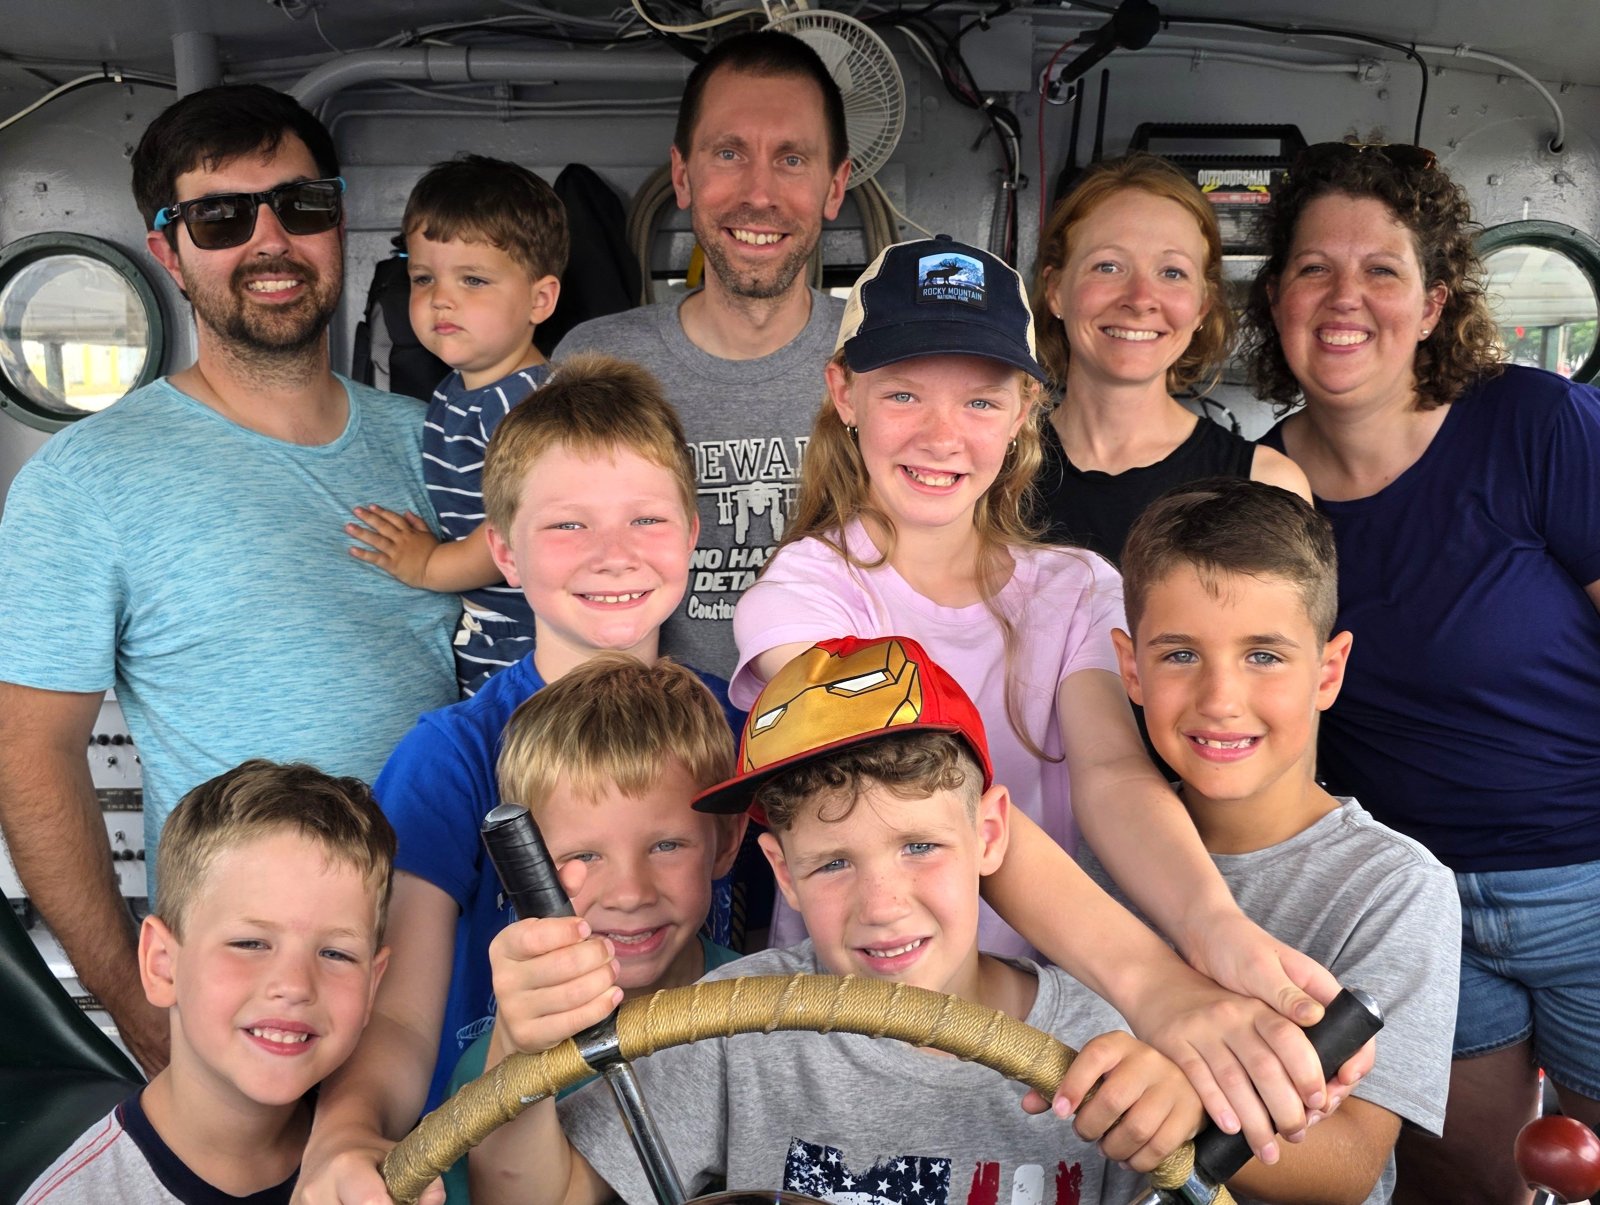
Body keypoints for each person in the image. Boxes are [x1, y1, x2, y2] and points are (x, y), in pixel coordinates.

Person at [732, 233, 1363, 1166]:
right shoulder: (804, 592)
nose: (942, 436)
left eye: (981, 399)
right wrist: (1154, 983)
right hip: (857, 1010)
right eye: (903, 392)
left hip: (1045, 1024)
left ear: (1027, 407)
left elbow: (1112, 773)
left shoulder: (1072, 586)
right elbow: (915, 790)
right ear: (844, 394)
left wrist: (1214, 932)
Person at [0, 83, 456, 1074]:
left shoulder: (439, 446)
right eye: (219, 216)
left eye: (300, 206)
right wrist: (136, 999)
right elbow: (32, 758)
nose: (268, 240)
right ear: (167, 251)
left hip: (449, 965)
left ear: (338, 222)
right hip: (254, 1010)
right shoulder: (86, 480)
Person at [467, 634, 1204, 1205]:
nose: (882, 904)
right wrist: (519, 1048)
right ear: (782, 871)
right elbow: (538, 1193)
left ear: (988, 835)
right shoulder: (733, 1024)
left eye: (919, 846)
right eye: (833, 863)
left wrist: (1180, 1121)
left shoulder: (1103, 1044)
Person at [1243, 139, 1600, 1204]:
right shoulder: (1259, 481)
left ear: (1435, 303)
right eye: (1313, 268)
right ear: (1275, 298)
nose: (1344, 298)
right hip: (1410, 904)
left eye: (1381, 270)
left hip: (1586, 879)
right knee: (1459, 1188)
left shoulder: (1534, 424)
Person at [296, 354, 742, 1205]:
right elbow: (397, 1015)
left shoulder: (747, 733)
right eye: (568, 526)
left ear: (691, 533)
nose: (613, 554)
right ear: (502, 549)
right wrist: (343, 1141)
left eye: (646, 519)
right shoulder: (450, 757)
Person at [1079, 478, 1459, 1205]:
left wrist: (1179, 1099)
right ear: (1130, 667)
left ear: (1329, 669)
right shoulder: (1097, 858)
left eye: (1264, 655)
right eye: (1180, 654)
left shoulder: (1396, 887)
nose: (1220, 698)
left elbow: (1350, 1164)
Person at [553, 29, 851, 678]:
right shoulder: (595, 360)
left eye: (793, 159)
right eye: (729, 153)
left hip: (830, 746)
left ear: (836, 186)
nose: (760, 193)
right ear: (683, 176)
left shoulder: (879, 361)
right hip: (645, 749)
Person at [438, 653, 746, 1202]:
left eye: (666, 845)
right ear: (526, 875)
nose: (630, 893)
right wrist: (520, 1058)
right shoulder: (490, 1066)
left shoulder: (773, 1005)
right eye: (585, 855)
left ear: (726, 841)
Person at [22, 760, 394, 1204]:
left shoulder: (389, 1174)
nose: (295, 985)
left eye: (336, 953)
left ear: (372, 986)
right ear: (162, 965)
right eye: (251, 943)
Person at [346, 155, 567, 696]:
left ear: (540, 299)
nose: (440, 298)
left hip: (536, 642)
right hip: (492, 630)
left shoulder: (532, 407)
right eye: (423, 278)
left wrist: (429, 566)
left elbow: (517, 531)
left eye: (473, 279)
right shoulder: (456, 390)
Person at [1029, 152, 1308, 564]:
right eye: (1107, 266)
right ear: (1055, 291)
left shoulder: (1264, 485)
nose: (1140, 299)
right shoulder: (988, 467)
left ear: (1202, 306)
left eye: (1172, 272)